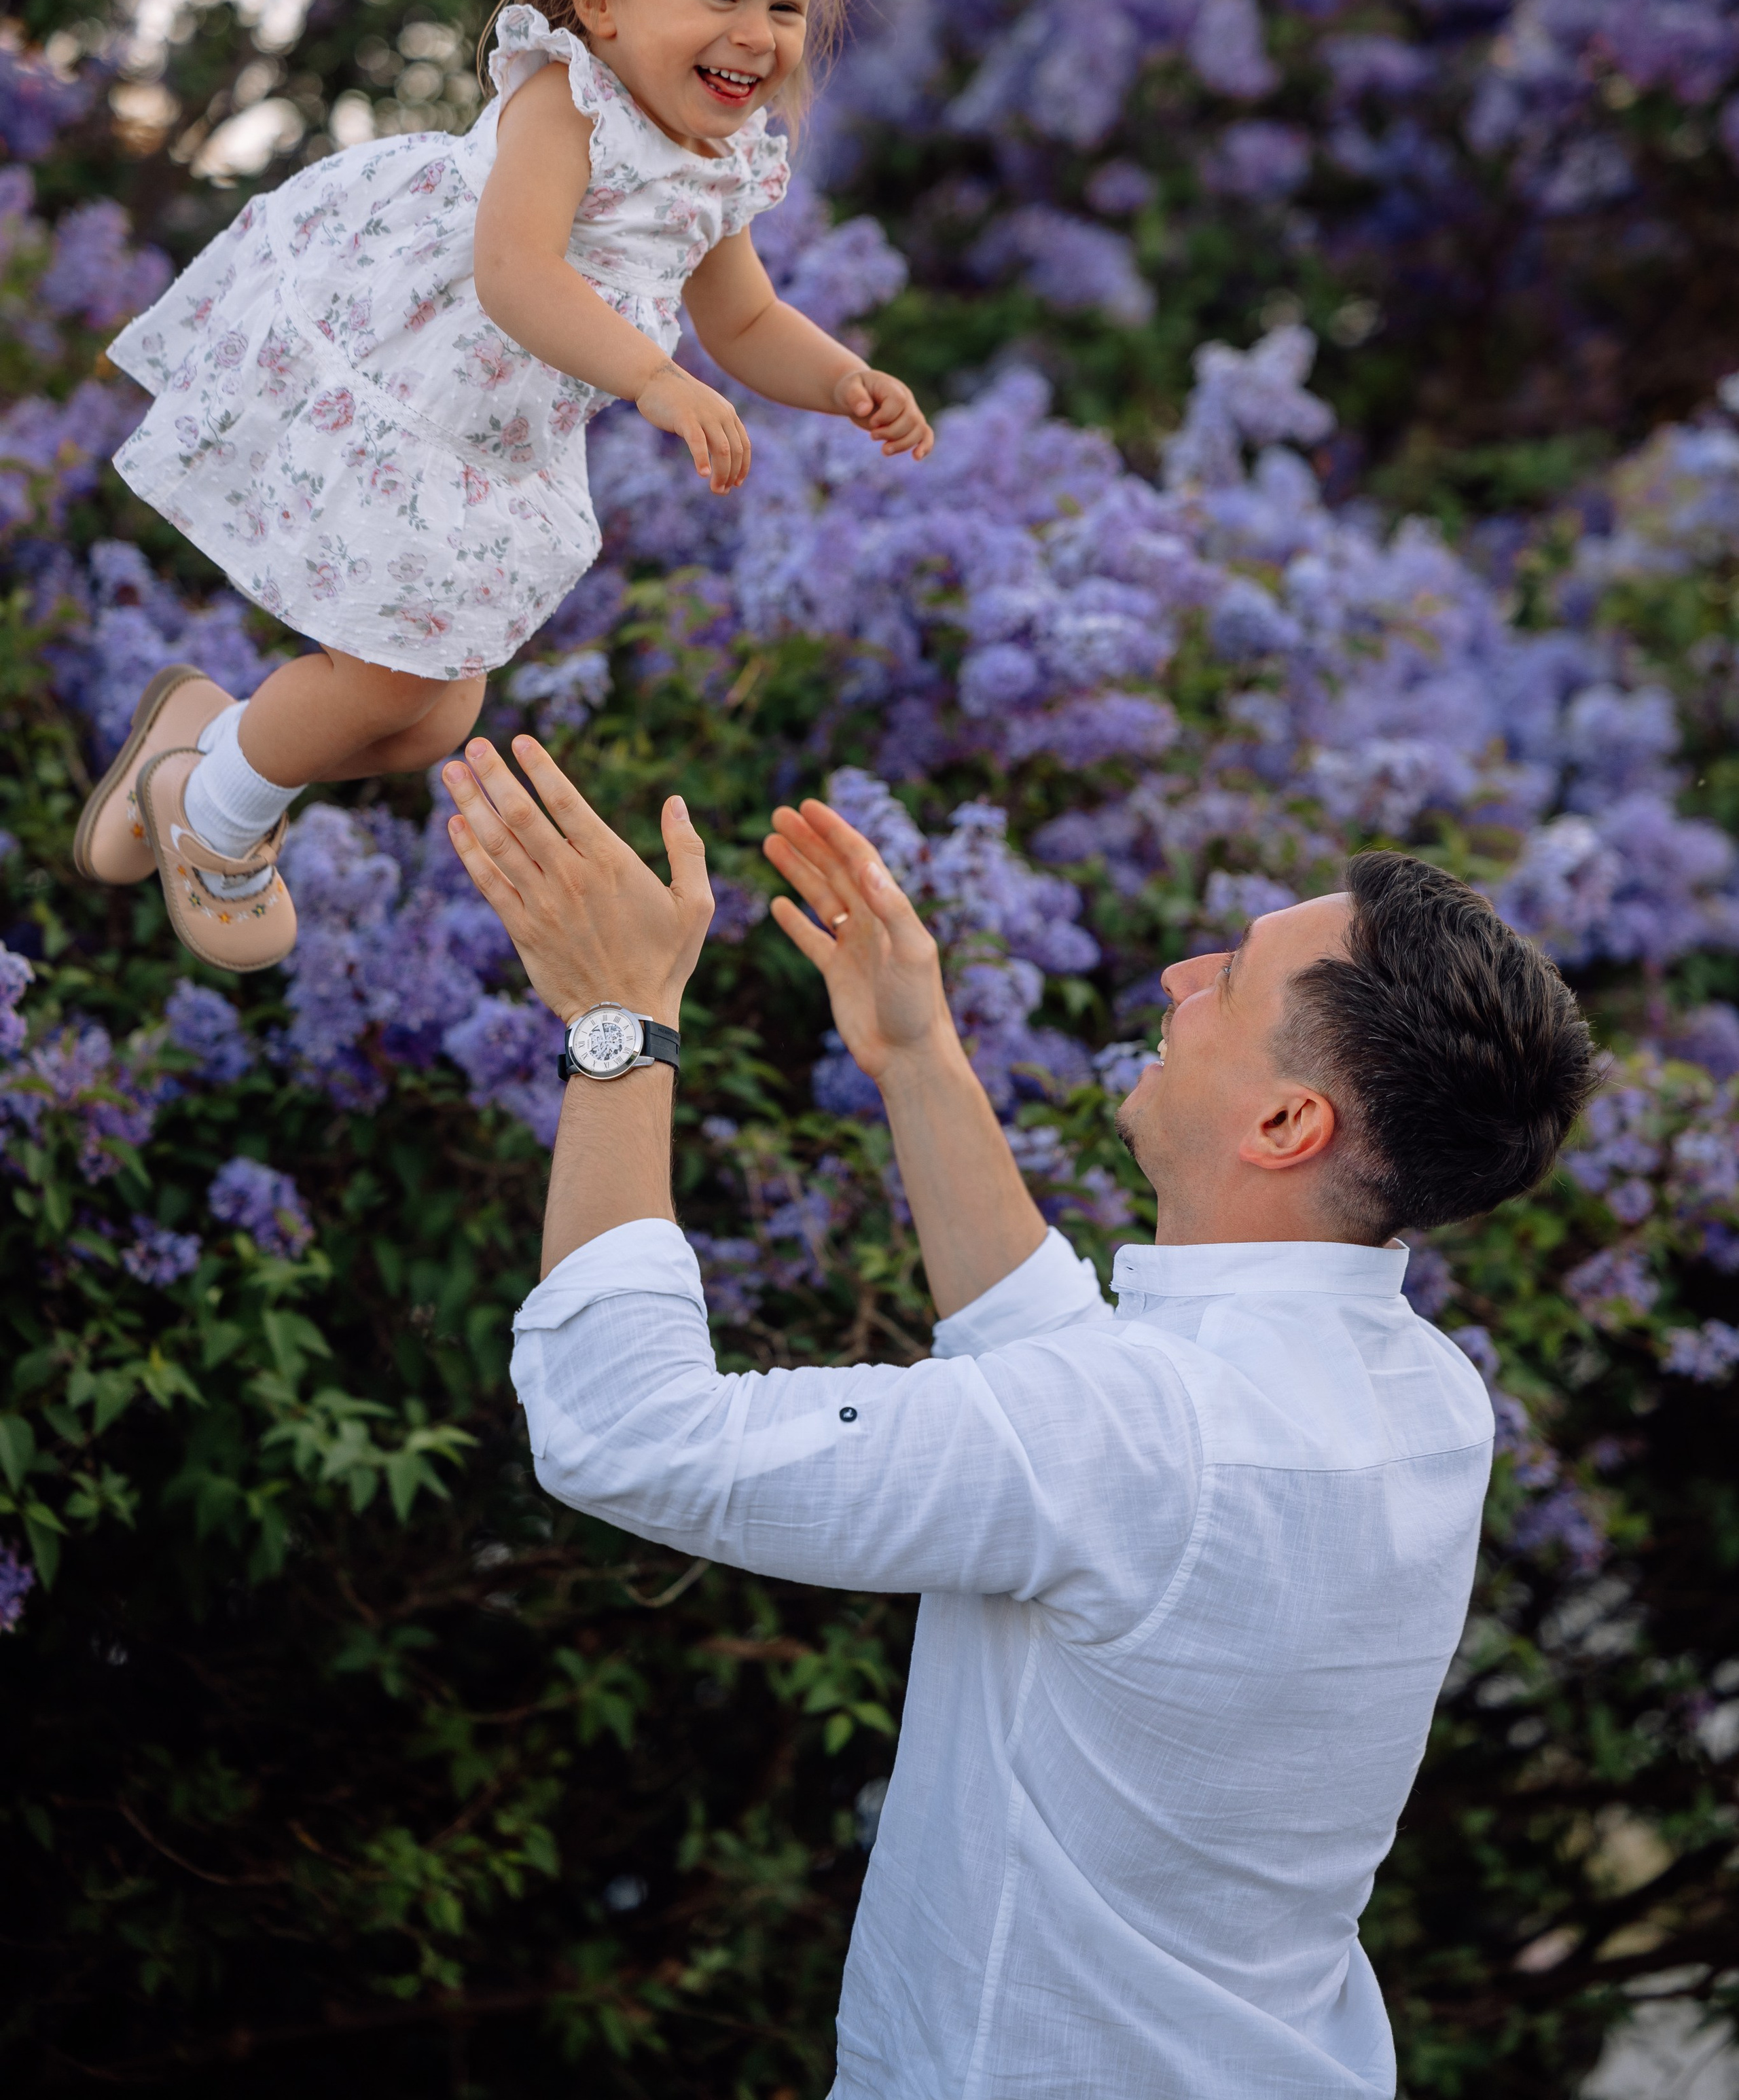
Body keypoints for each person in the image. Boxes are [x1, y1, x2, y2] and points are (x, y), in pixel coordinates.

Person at [437, 729, 1598, 2100]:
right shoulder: (1421, 1397)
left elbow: (625, 1428)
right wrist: (917, 1055)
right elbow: (1086, 1416)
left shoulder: (1138, 1431)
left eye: (1222, 978)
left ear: (1285, 1122)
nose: (1177, 980)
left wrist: (617, 1020)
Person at [72, 0, 942, 974]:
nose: (756, 33)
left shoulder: (721, 163)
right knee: (380, 679)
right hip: (407, 381)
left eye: (785, 6)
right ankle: (217, 819)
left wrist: (844, 378)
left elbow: (741, 318)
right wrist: (648, 377)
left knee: (438, 715)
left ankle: (196, 750)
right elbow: (516, 273)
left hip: (495, 440)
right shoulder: (565, 100)